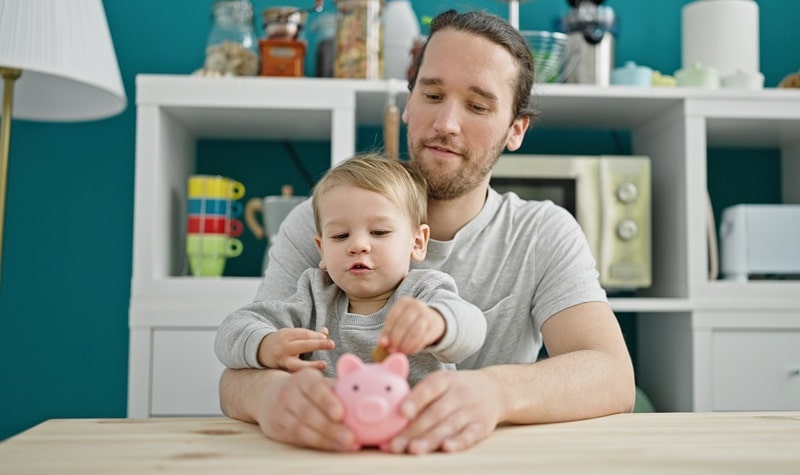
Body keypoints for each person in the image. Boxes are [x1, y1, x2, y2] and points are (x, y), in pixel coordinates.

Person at [218, 9, 635, 454]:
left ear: (516, 129)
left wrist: (495, 392)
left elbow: (612, 377)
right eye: (432, 94)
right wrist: (269, 397)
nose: (446, 124)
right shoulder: (324, 223)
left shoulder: (542, 233)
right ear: (408, 103)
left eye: (477, 106)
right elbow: (235, 379)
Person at [214, 153, 487, 386]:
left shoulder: (425, 291)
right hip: (332, 435)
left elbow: (473, 327)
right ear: (321, 250)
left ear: (417, 242)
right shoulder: (312, 296)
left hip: (415, 434)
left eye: (379, 232)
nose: (357, 246)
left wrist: (438, 323)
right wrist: (265, 346)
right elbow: (230, 331)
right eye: (340, 236)